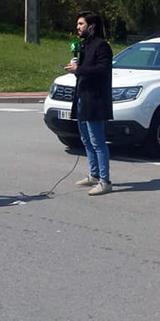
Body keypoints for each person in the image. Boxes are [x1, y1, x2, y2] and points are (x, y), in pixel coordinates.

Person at [65, 11, 114, 195]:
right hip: (82, 98)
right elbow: (85, 70)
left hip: (95, 99)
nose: (77, 27)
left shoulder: (102, 46)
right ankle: (94, 175)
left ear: (91, 26)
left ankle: (105, 181)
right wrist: (75, 67)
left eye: (81, 24)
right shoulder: (84, 46)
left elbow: (102, 69)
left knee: (97, 141)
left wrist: (79, 69)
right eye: (77, 24)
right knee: (86, 139)